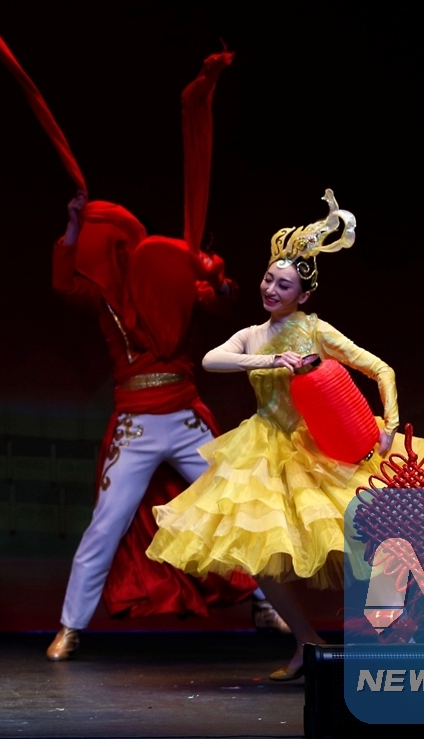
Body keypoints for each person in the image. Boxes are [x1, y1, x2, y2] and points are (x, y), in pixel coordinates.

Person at [145, 190, 424, 679]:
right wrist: (271, 360)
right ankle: (306, 642)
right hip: (266, 450)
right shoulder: (252, 335)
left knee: (369, 538)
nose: (271, 289)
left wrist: (390, 428)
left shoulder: (315, 330)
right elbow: (211, 360)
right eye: (269, 279)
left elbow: (381, 369)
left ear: (303, 296)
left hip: (325, 444)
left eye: (283, 285)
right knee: (261, 555)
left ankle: (404, 632)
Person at [47, 184, 275, 661]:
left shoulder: (176, 285)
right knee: (106, 526)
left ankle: (266, 603)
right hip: (135, 427)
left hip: (185, 419)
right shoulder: (105, 296)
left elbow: (222, 300)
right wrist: (72, 226)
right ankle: (70, 627)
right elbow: (65, 285)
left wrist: (216, 277)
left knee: (233, 510)